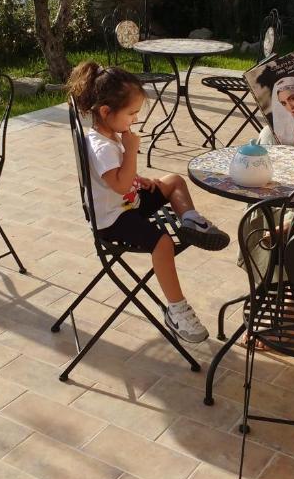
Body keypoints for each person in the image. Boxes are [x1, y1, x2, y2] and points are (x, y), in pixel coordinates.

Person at [67, 61, 230, 343]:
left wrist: (138, 178)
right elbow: (117, 183)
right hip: (113, 219)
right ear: (106, 112)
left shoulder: (109, 135)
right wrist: (131, 151)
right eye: (131, 114)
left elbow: (118, 178)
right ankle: (177, 310)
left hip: (127, 201)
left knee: (173, 181)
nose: (135, 120)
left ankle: (191, 222)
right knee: (163, 242)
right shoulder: (102, 145)